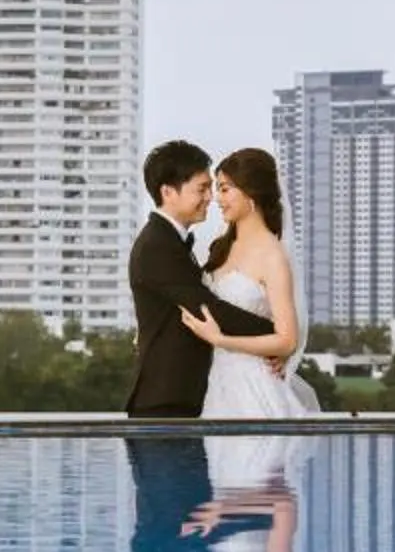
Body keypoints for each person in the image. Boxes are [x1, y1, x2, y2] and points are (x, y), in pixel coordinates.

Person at [126, 140, 277, 420]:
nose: (210, 197)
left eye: (212, 188)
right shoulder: (157, 245)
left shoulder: (171, 241)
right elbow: (208, 309)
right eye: (202, 188)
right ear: (168, 192)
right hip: (165, 401)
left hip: (183, 397)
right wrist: (275, 334)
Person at [176, 147, 320, 423]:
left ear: (251, 192)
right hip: (216, 386)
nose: (217, 199)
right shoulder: (221, 247)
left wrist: (220, 340)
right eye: (218, 189)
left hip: (253, 390)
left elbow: (287, 339)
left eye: (225, 189)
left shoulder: (272, 255)